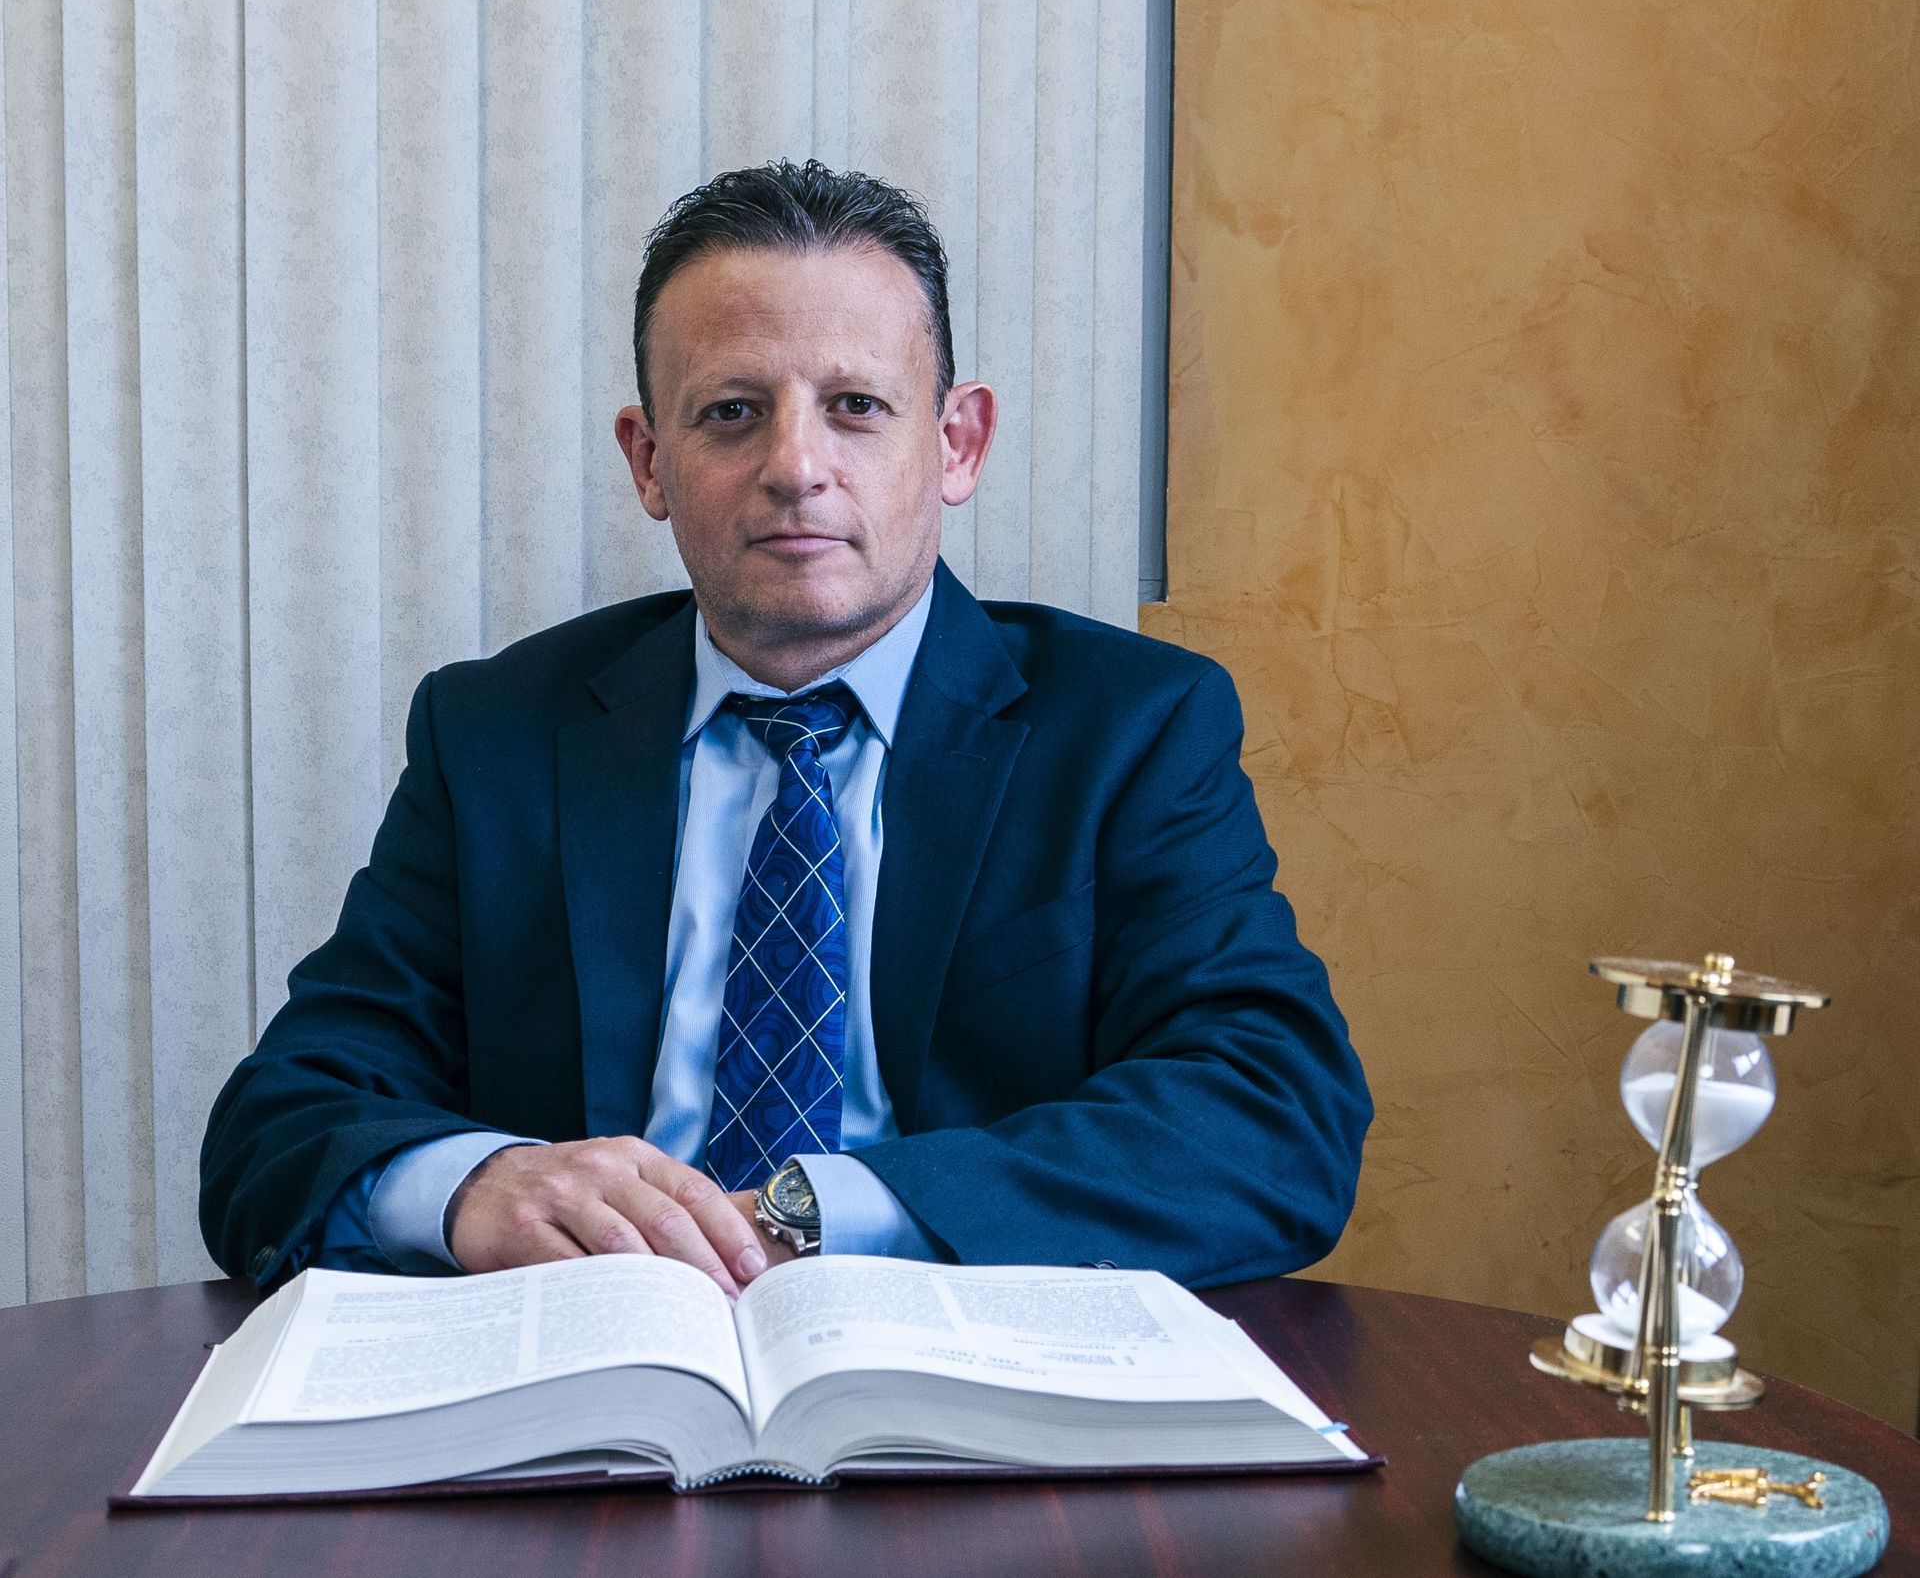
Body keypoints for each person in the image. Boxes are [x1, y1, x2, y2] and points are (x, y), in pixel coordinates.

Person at [200, 160, 1371, 1299]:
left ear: (957, 443)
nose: (795, 467)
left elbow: (1273, 1115)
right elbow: (280, 1124)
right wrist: (472, 1188)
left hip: (967, 1378)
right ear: (650, 460)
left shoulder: (1129, 729)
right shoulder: (497, 734)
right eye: (731, 413)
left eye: (856, 406)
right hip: (594, 1370)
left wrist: (817, 1212)